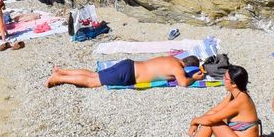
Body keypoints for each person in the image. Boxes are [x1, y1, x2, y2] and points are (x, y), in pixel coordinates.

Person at [172, 64, 262, 137]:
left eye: (225, 78)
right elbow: (214, 111)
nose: (223, 79)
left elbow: (212, 119)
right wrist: (196, 123)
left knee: (212, 122)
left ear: (234, 84)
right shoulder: (235, 94)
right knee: (210, 119)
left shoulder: (240, 101)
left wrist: (194, 121)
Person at [46, 54, 205, 89]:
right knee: (92, 81)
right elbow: (183, 83)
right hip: (128, 74)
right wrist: (195, 78)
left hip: (128, 64)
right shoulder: (177, 68)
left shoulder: (171, 58)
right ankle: (59, 79)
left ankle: (62, 72)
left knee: (94, 74)